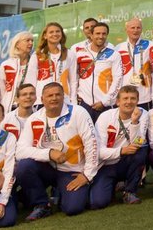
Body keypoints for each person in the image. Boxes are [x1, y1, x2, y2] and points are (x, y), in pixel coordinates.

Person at [15, 82, 100, 218]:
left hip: (72, 171)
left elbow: (92, 144)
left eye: (58, 95)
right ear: (42, 99)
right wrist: (49, 154)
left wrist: (87, 175)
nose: (54, 98)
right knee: (24, 166)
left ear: (63, 97)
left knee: (72, 208)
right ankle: (42, 204)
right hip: (48, 168)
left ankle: (64, 193)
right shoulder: (34, 118)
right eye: (50, 96)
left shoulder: (78, 112)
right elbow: (20, 151)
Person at [92, 85, 148, 207]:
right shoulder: (105, 117)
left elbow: (138, 142)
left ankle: (130, 192)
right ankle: (111, 186)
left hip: (127, 160)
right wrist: (121, 150)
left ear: (137, 101)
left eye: (133, 98)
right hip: (106, 164)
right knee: (98, 202)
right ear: (118, 102)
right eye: (125, 98)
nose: (129, 102)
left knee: (141, 151)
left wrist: (134, 122)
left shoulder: (143, 114)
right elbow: (99, 152)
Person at [74, 22, 118, 121]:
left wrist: (104, 102)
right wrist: (75, 95)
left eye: (104, 34)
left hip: (105, 105)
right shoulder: (80, 53)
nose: (101, 36)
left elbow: (117, 80)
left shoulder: (114, 54)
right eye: (97, 33)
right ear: (91, 35)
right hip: (84, 104)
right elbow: (74, 77)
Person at [30, 22, 75, 104]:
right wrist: (33, 101)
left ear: (62, 34)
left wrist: (73, 101)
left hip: (64, 99)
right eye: (51, 32)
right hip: (42, 101)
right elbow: (31, 80)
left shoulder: (70, 53)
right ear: (45, 36)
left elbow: (73, 80)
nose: (55, 34)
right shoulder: (37, 55)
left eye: (58, 31)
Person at [114, 18, 151, 108]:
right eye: (132, 27)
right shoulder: (118, 48)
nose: (135, 30)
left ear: (141, 29)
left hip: (144, 95)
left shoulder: (150, 45)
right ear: (126, 29)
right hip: (125, 96)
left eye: (138, 28)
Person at [0, 32, 34, 112]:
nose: (31, 43)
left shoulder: (35, 63)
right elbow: (2, 89)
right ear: (17, 44)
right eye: (27, 40)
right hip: (11, 107)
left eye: (32, 41)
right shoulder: (6, 64)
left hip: (31, 106)